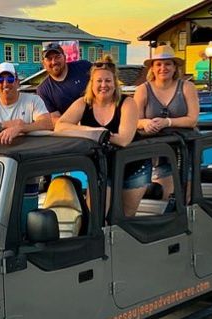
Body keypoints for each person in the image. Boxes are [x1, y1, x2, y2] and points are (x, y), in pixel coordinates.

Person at [55, 56, 139, 215]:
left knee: (124, 219)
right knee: (97, 215)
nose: (103, 85)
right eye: (99, 81)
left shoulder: (127, 103)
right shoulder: (83, 103)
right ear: (91, 84)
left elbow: (123, 139)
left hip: (132, 166)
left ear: (115, 83)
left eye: (108, 81)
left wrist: (89, 133)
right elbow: (60, 126)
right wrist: (92, 132)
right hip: (102, 166)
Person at [134, 44, 199, 200]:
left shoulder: (187, 87)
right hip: (157, 152)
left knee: (186, 196)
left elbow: (193, 119)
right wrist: (145, 124)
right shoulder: (143, 89)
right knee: (163, 195)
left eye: (168, 63)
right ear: (153, 68)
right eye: (159, 64)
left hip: (186, 149)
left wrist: (167, 122)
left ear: (175, 67)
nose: (163, 68)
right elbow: (134, 120)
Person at [0, 62, 52, 144]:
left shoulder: (33, 100)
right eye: (1, 80)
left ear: (17, 82)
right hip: (2, 154)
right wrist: (5, 125)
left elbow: (47, 123)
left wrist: (20, 128)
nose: (5, 84)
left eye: (10, 79)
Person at [36, 42, 92, 126]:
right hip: (75, 130)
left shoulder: (84, 66)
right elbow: (56, 118)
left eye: (57, 57)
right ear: (43, 64)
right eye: (49, 59)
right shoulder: (43, 90)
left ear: (65, 57)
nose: (54, 62)